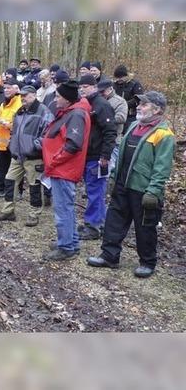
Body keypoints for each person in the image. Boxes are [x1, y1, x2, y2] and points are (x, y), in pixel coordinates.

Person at [87, 91, 175, 278]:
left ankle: (147, 262)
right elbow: (121, 156)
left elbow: (162, 167)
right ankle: (109, 256)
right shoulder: (134, 125)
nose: (139, 107)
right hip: (123, 184)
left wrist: (153, 191)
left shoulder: (164, 135)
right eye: (139, 104)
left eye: (144, 104)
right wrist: (113, 178)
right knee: (114, 221)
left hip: (143, 190)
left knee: (145, 227)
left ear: (157, 109)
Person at [41, 80, 92, 261]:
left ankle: (66, 247)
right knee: (66, 208)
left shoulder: (76, 114)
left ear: (68, 99)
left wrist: (54, 161)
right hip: (60, 169)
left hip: (64, 169)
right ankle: (71, 241)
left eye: (58, 96)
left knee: (63, 209)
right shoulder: (71, 111)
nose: (55, 100)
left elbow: (73, 145)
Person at [0, 85, 53, 226]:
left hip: (34, 157)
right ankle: (8, 211)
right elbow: (14, 130)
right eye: (21, 95)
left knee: (34, 186)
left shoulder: (44, 112)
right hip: (17, 155)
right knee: (9, 181)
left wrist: (34, 146)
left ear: (34, 95)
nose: (22, 98)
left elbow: (48, 134)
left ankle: (34, 214)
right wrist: (13, 145)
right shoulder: (20, 111)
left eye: (25, 95)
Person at [77, 74, 117, 240]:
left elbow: (110, 131)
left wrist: (105, 156)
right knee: (91, 190)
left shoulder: (101, 105)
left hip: (98, 156)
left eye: (85, 87)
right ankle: (94, 222)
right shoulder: (86, 104)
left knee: (96, 191)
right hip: (87, 155)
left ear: (94, 87)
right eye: (81, 87)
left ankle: (94, 226)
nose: (82, 89)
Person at [0, 80, 22, 197]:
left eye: (9, 88)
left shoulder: (20, 104)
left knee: (16, 168)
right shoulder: (3, 104)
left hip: (14, 141)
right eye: (5, 88)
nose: (6, 90)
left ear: (16, 89)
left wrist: (8, 124)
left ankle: (18, 192)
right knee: (1, 166)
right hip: (2, 141)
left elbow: (20, 124)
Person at [97, 79, 127, 172]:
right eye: (99, 91)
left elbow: (122, 117)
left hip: (113, 141)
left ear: (110, 89)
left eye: (103, 91)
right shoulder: (98, 100)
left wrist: (106, 118)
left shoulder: (120, 101)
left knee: (109, 170)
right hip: (98, 141)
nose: (101, 93)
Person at [112, 64, 144, 133]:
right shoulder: (114, 85)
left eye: (121, 77)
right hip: (117, 114)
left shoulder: (134, 84)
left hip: (131, 115)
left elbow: (138, 98)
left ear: (126, 76)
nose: (119, 79)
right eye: (117, 77)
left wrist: (124, 104)